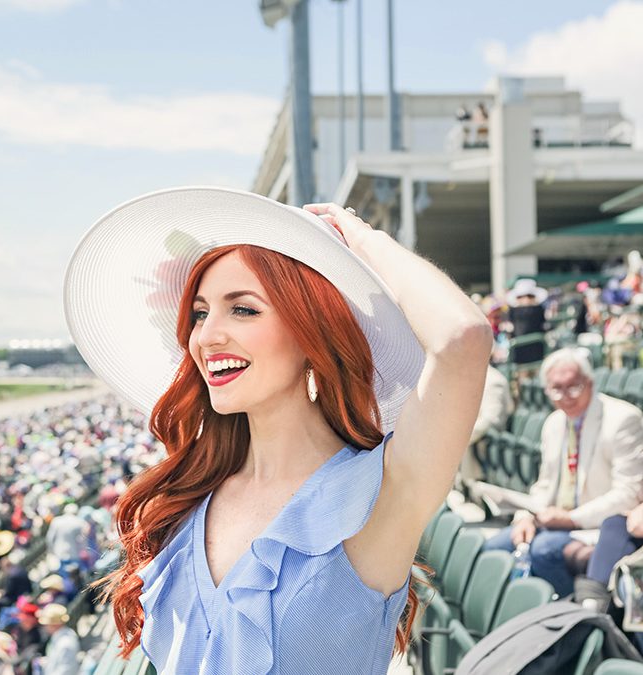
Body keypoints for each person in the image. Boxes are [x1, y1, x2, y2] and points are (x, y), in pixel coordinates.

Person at [64, 187, 492, 673]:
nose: (207, 335)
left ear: (313, 333)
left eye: (243, 309)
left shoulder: (378, 493)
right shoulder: (188, 501)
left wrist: (359, 239)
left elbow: (462, 339)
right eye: (200, 313)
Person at [483, 348, 643, 595]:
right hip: (555, 520)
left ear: (589, 383)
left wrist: (572, 519)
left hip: (595, 525)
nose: (565, 396)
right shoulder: (554, 422)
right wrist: (525, 515)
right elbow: (544, 485)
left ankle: (575, 616)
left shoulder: (622, 420)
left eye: (573, 387)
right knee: (491, 550)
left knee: (544, 550)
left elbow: (628, 493)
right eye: (556, 389)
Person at [37, 604, 79, 675]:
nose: (44, 626)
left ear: (54, 624)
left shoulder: (66, 642)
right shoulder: (59, 637)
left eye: (46, 624)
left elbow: (67, 670)